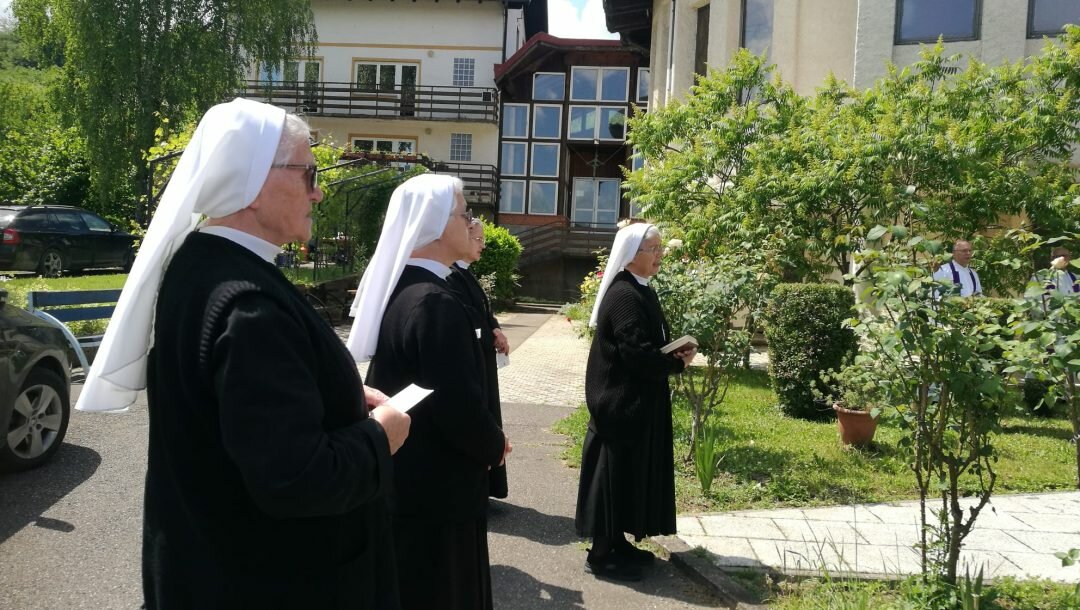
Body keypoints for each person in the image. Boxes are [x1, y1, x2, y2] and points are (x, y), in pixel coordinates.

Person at [75, 99, 410, 609]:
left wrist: (335, 394)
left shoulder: (202, 263)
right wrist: (380, 436)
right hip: (268, 581)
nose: (318, 192)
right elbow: (296, 478)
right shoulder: (249, 305)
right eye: (309, 174)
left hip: (214, 564)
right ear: (253, 182)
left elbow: (239, 407)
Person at [346, 174, 511, 610]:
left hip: (413, 477)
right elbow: (455, 404)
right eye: (464, 214)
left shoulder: (410, 286)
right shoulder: (434, 300)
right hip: (439, 485)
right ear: (435, 223)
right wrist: (494, 444)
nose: (471, 223)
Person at [575, 223, 695, 582]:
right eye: (653, 249)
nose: (660, 255)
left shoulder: (641, 288)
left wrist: (672, 353)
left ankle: (618, 542)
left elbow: (647, 343)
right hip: (619, 403)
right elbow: (635, 352)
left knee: (628, 475)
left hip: (635, 400)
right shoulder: (625, 294)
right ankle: (600, 555)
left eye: (660, 248)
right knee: (613, 477)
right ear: (631, 255)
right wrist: (675, 364)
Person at [446, 218, 510, 499]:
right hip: (471, 357)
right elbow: (467, 316)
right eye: (478, 239)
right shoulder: (451, 275)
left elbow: (483, 311)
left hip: (482, 356)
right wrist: (490, 333)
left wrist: (495, 327)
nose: (483, 245)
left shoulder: (466, 273)